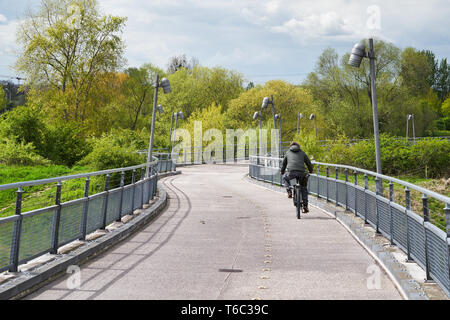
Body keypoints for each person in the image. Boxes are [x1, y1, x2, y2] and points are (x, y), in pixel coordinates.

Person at [280, 142, 313, 213]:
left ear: (290, 146)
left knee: (285, 178)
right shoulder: (302, 153)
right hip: (301, 173)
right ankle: (305, 205)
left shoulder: (288, 152)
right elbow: (308, 163)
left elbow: (284, 164)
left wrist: (282, 171)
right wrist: (311, 171)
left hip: (291, 172)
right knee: (303, 188)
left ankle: (289, 191)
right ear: (298, 146)